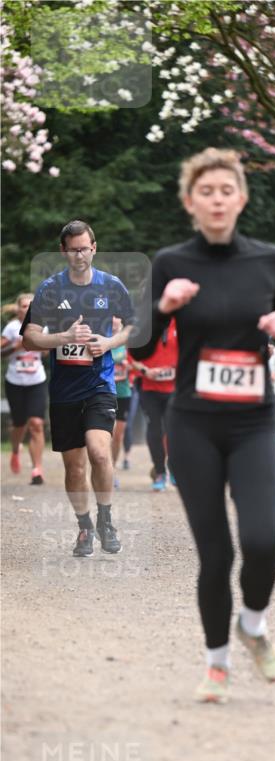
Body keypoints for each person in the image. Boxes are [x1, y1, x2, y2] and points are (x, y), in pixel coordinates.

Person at [130, 148, 275, 704]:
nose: (217, 200)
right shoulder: (171, 261)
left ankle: (252, 625)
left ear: (241, 198)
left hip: (253, 422)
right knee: (216, 555)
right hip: (193, 425)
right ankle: (216, 665)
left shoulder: (270, 261)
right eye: (205, 192)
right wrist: (163, 304)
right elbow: (141, 343)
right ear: (190, 202)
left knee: (262, 541)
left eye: (226, 190)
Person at [21, 220, 135, 556]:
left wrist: (109, 342)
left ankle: (106, 519)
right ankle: (85, 527)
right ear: (63, 251)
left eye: (85, 248)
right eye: (73, 249)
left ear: (94, 248)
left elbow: (133, 325)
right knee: (75, 466)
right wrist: (64, 338)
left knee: (99, 451)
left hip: (100, 383)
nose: (80, 255)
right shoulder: (50, 289)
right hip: (64, 391)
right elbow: (29, 338)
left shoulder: (111, 285)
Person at [1, 293, 47, 484]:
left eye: (31, 305)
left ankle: (37, 469)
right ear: (18, 309)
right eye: (24, 305)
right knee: (19, 424)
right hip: (15, 381)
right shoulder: (11, 328)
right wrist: (17, 345)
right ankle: (15, 450)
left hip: (37, 380)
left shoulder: (43, 327)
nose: (27, 309)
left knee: (36, 423)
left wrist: (41, 345)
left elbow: (47, 352)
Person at [130, 317, 178, 491]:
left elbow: (191, 350)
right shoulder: (143, 325)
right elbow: (130, 357)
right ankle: (159, 471)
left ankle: (174, 469)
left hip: (174, 388)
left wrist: (175, 369)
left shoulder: (180, 322)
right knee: (155, 429)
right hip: (148, 387)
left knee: (174, 429)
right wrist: (145, 370)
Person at [109, 323, 132, 488]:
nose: (114, 322)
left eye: (117, 320)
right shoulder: (101, 340)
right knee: (107, 433)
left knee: (118, 436)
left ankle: (113, 467)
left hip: (124, 392)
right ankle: (107, 470)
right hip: (105, 392)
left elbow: (136, 362)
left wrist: (129, 365)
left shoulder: (128, 343)